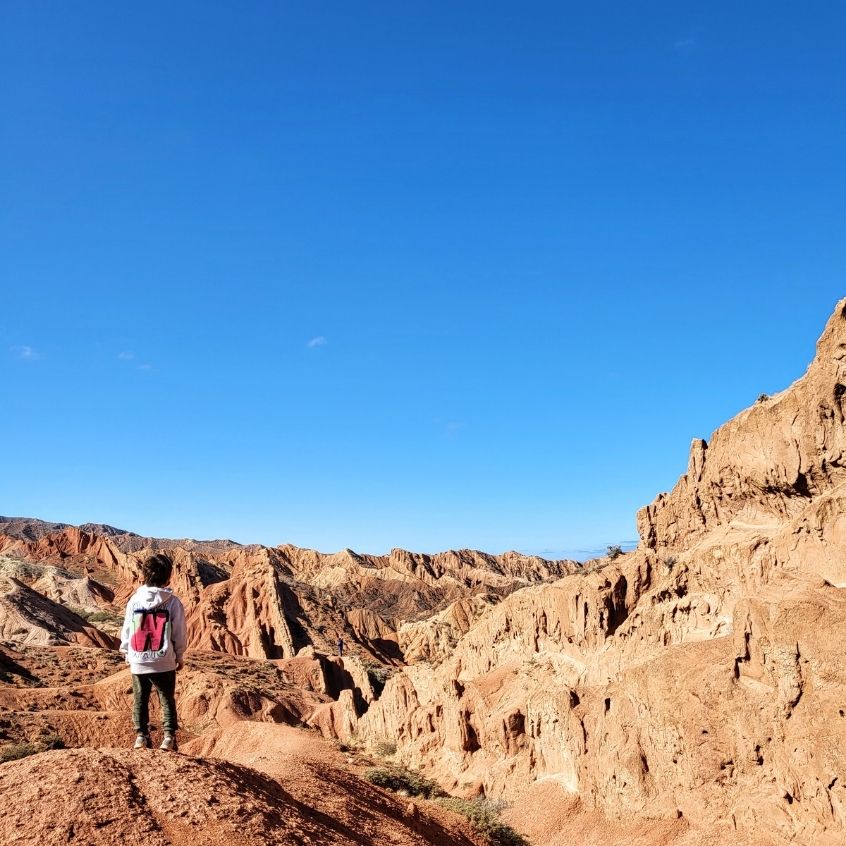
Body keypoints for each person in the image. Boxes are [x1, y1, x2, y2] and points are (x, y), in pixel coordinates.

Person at [120, 552, 187, 752]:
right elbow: (179, 632)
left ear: (144, 575)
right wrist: (180, 655)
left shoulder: (134, 601)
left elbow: (127, 629)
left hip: (139, 658)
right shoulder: (173, 602)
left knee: (140, 699)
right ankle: (169, 738)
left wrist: (126, 652)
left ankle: (141, 737)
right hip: (164, 659)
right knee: (166, 698)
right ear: (168, 577)